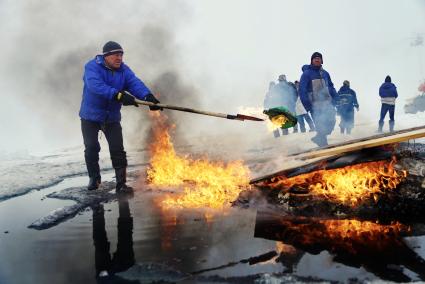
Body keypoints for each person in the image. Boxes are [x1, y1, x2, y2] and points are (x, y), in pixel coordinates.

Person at [79, 41, 161, 192]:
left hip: (111, 118)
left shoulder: (124, 70)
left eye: (121, 55)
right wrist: (118, 95)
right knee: (91, 147)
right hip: (90, 116)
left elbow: (134, 83)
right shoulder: (92, 67)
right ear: (106, 56)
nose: (120, 58)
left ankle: (121, 184)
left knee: (117, 150)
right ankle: (94, 178)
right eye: (116, 55)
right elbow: (95, 86)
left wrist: (148, 96)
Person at [299, 52, 338, 147]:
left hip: (327, 103)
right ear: (312, 61)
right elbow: (302, 90)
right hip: (314, 104)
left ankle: (319, 138)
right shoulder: (306, 74)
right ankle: (324, 145)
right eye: (315, 58)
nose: (317, 59)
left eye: (319, 58)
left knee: (331, 121)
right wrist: (307, 105)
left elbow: (330, 86)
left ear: (322, 61)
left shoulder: (325, 73)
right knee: (320, 124)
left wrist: (336, 97)